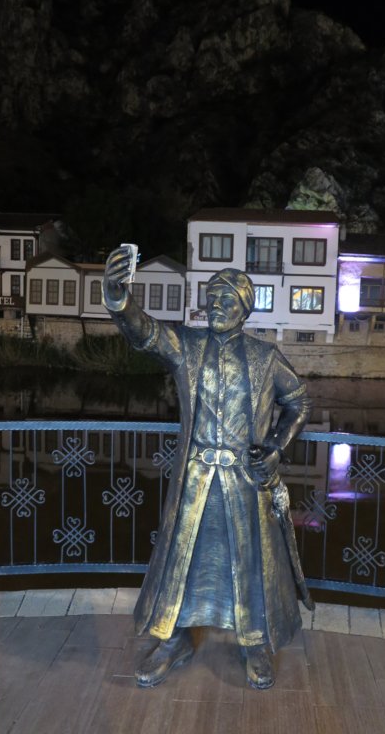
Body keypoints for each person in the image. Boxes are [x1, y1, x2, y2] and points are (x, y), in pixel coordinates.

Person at [103, 245, 311, 690]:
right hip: (195, 479)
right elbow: (144, 332)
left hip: (244, 482)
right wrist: (118, 297)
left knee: (250, 560)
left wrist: (276, 448)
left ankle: (254, 642)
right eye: (211, 297)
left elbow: (298, 403)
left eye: (226, 299)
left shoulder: (265, 357)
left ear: (244, 309)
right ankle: (173, 640)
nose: (216, 305)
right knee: (182, 561)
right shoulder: (187, 346)